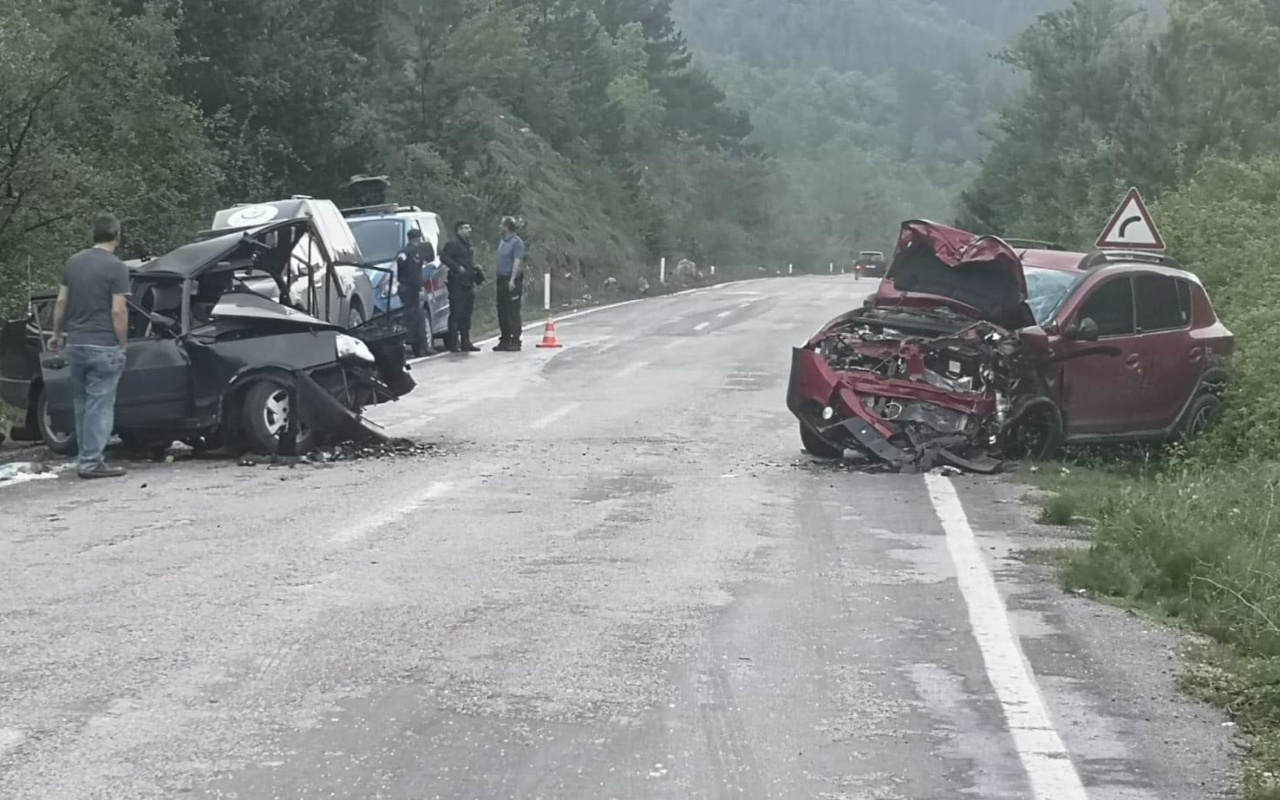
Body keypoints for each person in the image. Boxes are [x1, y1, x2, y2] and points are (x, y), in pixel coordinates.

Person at [48, 212, 131, 479]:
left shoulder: (73, 263)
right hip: (103, 344)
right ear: (117, 236)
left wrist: (57, 334)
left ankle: (85, 457)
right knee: (100, 406)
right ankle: (91, 463)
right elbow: (118, 311)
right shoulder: (116, 267)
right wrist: (122, 344)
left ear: (93, 235)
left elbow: (61, 302)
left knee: (82, 404)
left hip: (76, 343)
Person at [440, 221, 484, 352]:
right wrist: (457, 267)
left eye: (469, 227)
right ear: (458, 230)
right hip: (457, 283)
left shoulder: (466, 245)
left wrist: (475, 268)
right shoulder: (453, 244)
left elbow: (467, 261)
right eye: (465, 228)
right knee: (456, 313)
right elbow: (444, 257)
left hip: (468, 282)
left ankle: (466, 341)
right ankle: (453, 343)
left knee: (466, 313)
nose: (469, 230)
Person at [396, 227, 436, 357]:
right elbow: (414, 273)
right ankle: (422, 347)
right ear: (418, 238)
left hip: (402, 288)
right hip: (412, 289)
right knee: (418, 318)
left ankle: (413, 347)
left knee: (409, 318)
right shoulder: (415, 252)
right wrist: (419, 288)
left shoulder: (402, 252)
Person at [494, 216, 526, 351]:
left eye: (502, 225)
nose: (500, 227)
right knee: (502, 310)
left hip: (511, 279)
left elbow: (517, 262)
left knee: (512, 311)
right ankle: (505, 338)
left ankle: (515, 340)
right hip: (501, 279)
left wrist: (512, 279)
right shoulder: (503, 241)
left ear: (507, 227)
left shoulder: (516, 242)